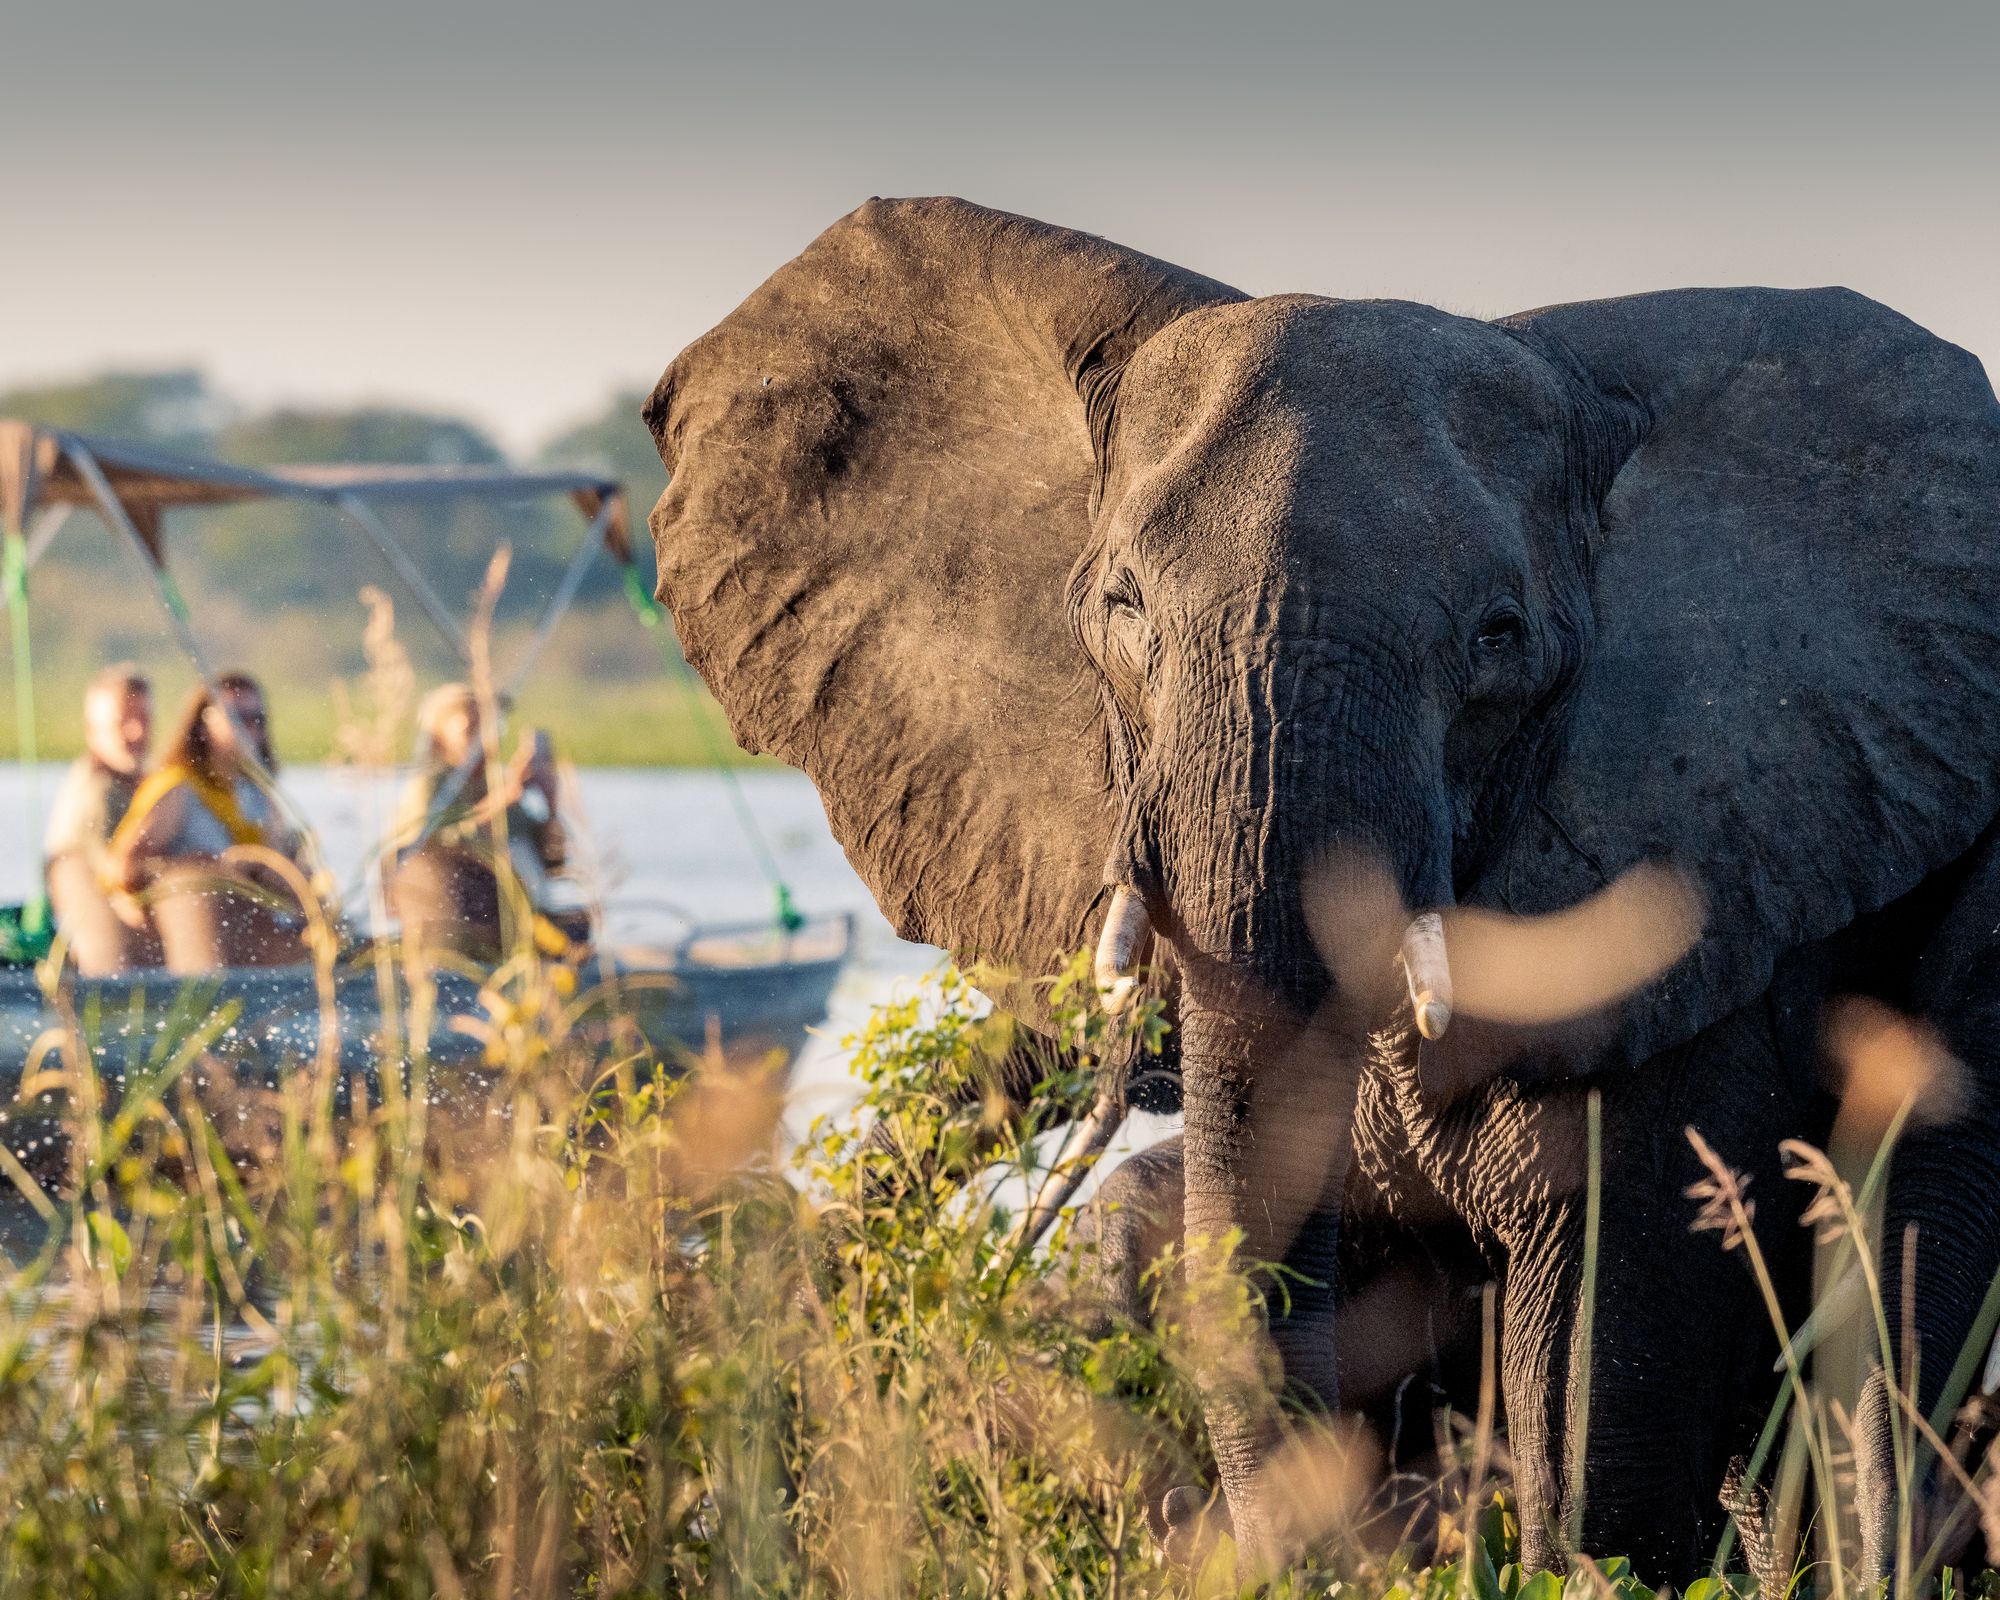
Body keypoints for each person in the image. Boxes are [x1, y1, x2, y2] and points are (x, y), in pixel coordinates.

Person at [106, 672, 311, 971]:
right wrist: (206, 866)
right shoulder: (177, 788)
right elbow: (124, 868)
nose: (249, 729)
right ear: (203, 724)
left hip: (249, 922)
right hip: (192, 917)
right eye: (238, 717)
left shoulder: (258, 794)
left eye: (257, 719)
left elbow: (280, 868)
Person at [388, 683, 582, 961]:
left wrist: (550, 801)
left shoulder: (489, 784)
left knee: (576, 928)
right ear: (440, 734)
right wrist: (503, 798)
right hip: (451, 905)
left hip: (510, 909)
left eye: (490, 727)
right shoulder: (432, 783)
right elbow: (428, 842)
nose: (484, 738)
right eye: (471, 729)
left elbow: (554, 861)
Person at [44, 663, 162, 974]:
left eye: (143, 719)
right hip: (88, 884)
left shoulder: (146, 783)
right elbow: (115, 877)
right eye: (123, 721)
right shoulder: (95, 791)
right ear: (91, 730)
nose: (135, 732)